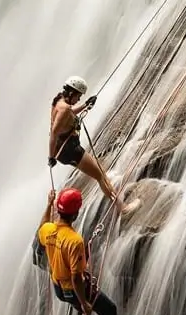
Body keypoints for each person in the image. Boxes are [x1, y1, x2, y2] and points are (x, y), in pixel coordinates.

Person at [35, 187, 121, 315]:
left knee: (80, 307)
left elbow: (42, 226)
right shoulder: (75, 241)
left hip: (58, 288)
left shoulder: (48, 231)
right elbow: (76, 278)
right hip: (73, 288)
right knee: (109, 310)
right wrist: (84, 302)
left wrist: (48, 204)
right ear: (75, 215)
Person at [48, 76, 138, 214]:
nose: (79, 99)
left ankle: (120, 206)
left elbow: (69, 113)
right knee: (101, 176)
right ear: (72, 93)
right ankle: (122, 208)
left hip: (66, 150)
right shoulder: (64, 109)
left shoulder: (59, 101)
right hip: (70, 150)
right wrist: (51, 156)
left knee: (100, 173)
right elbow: (54, 132)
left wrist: (86, 105)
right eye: (78, 96)